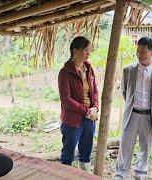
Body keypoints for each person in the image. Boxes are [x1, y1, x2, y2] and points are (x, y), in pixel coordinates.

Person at [114, 37, 152, 180]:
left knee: (146, 147)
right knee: (125, 147)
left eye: (143, 52)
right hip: (132, 114)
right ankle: (120, 175)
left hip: (149, 116)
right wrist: (133, 106)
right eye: (138, 51)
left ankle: (140, 174)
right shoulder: (128, 70)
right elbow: (125, 92)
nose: (140, 55)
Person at [58, 36, 99, 171]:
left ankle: (85, 175)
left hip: (89, 118)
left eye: (89, 50)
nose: (88, 53)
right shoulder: (65, 73)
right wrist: (86, 111)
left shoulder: (89, 70)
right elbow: (67, 100)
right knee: (67, 156)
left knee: (85, 155)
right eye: (85, 50)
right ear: (75, 51)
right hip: (72, 120)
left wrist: (95, 108)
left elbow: (95, 92)